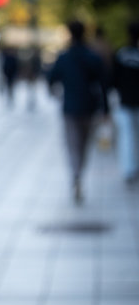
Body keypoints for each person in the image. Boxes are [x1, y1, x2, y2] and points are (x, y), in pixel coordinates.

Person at [48, 20, 109, 204]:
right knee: (84, 144)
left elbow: (51, 78)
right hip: (89, 107)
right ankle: (79, 172)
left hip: (70, 108)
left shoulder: (64, 57)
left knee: (72, 144)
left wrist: (55, 93)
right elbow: (104, 84)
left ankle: (76, 174)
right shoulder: (92, 57)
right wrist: (106, 109)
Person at [113, 20, 139, 186]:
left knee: (127, 137)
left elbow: (113, 79)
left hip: (125, 102)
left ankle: (129, 169)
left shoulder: (121, 54)